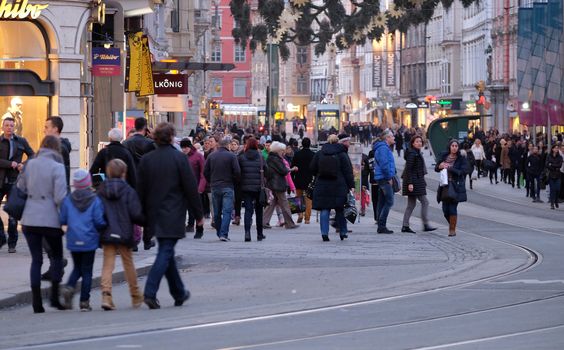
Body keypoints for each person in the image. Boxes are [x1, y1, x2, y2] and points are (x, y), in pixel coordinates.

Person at [137, 122, 204, 309]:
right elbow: (190, 188)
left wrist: (141, 214)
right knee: (165, 251)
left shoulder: (147, 159)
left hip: (153, 213)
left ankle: (179, 292)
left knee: (167, 252)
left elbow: (140, 190)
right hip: (173, 212)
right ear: (172, 137)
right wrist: (199, 215)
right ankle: (150, 292)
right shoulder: (179, 158)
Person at [18, 136, 67, 313]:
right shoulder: (58, 167)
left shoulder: (30, 164)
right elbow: (60, 196)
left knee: (36, 260)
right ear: (56, 149)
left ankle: (36, 302)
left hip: (29, 218)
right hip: (50, 218)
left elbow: (21, 187)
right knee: (56, 257)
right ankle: (54, 298)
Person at [94, 159, 145, 310]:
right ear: (124, 173)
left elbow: (97, 212)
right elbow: (136, 213)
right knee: (128, 263)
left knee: (107, 264)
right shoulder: (129, 191)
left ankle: (106, 295)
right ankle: (135, 295)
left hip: (107, 231)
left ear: (108, 172)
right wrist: (145, 222)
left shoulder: (101, 190)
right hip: (124, 231)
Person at [59, 169, 106, 311]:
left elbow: (62, 219)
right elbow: (99, 221)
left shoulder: (68, 200)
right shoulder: (95, 200)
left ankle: (69, 287)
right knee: (87, 271)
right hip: (89, 240)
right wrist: (103, 227)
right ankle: (84, 301)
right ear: (88, 183)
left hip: (73, 239)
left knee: (77, 268)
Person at [0, 117, 34, 253]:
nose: (9, 128)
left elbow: (32, 155)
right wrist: (10, 164)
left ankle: (12, 244)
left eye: (11, 125)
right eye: (6, 125)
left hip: (15, 181)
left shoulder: (21, 141)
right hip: (0, 181)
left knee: (13, 215)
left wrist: (22, 165)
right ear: (2, 127)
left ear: (14, 127)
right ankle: (1, 234)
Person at [310, 135, 354, 241]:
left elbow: (312, 168)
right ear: (337, 142)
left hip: (322, 185)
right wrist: (351, 186)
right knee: (340, 209)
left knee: (325, 209)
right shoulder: (342, 154)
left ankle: (324, 233)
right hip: (339, 185)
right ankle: (343, 232)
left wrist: (319, 174)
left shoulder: (320, 153)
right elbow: (348, 171)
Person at [204, 137, 241, 241]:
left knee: (216, 212)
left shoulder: (211, 156)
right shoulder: (231, 156)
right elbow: (237, 172)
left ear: (218, 145)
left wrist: (211, 181)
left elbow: (205, 171)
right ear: (228, 145)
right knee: (227, 211)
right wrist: (234, 181)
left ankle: (219, 232)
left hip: (215, 186)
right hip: (228, 186)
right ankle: (223, 234)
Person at [401, 136, 437, 234]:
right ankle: (425, 224)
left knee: (411, 205)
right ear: (413, 143)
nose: (419, 143)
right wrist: (410, 183)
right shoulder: (413, 154)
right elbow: (409, 170)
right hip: (414, 182)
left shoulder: (416, 153)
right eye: (417, 142)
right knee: (425, 202)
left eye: (420, 141)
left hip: (417, 181)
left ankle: (405, 225)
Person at [435, 140, 470, 237]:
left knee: (452, 208)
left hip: (456, 186)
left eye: (456, 146)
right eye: (452, 145)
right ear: (449, 147)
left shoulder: (461, 159)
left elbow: (463, 171)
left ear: (458, 148)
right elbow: (436, 168)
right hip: (445, 185)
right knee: (445, 210)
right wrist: (440, 166)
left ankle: (452, 230)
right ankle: (452, 224)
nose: (454, 147)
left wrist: (450, 168)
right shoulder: (444, 156)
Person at [263, 141, 299, 230]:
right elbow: (284, 171)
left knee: (271, 204)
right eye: (282, 150)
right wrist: (291, 169)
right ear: (278, 150)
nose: (284, 152)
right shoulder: (276, 159)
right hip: (278, 184)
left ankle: (263, 222)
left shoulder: (270, 158)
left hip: (272, 184)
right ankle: (290, 223)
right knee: (284, 204)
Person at [238, 137, 267, 241]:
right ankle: (259, 234)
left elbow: (237, 172)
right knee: (259, 211)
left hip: (245, 188)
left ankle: (247, 234)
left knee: (248, 211)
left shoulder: (241, 157)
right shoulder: (260, 157)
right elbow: (266, 171)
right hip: (258, 188)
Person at [180, 139, 205, 238]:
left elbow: (203, 173)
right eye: (182, 148)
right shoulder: (181, 157)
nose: (184, 150)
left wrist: (201, 187)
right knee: (181, 209)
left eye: (186, 147)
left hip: (195, 187)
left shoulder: (198, 156)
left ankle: (199, 229)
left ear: (190, 147)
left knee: (196, 209)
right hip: (183, 188)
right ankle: (185, 227)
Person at [374, 129, 396, 234]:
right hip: (384, 177)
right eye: (392, 136)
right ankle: (382, 225)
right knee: (389, 201)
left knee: (382, 201)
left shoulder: (384, 147)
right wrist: (389, 177)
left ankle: (380, 224)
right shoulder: (383, 148)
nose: (394, 138)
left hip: (381, 177)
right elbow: (384, 164)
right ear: (387, 138)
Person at [291, 137, 315, 224]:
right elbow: (315, 168)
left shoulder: (297, 154)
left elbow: (293, 167)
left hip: (298, 179)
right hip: (309, 180)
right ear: (310, 144)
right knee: (308, 199)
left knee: (298, 198)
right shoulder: (313, 155)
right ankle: (307, 218)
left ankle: (300, 214)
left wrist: (292, 179)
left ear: (302, 144)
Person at [546, 144, 563, 209]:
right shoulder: (549, 156)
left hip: (558, 175)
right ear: (552, 149)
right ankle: (552, 203)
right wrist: (554, 166)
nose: (556, 149)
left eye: (557, 148)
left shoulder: (560, 157)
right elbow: (547, 165)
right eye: (555, 148)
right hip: (551, 175)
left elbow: (560, 165)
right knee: (552, 190)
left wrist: (552, 165)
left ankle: (556, 200)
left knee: (558, 189)